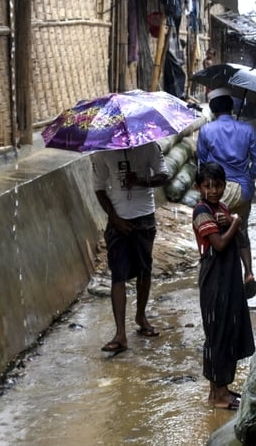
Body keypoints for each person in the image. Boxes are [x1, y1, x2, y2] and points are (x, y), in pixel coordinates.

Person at [92, 144, 169, 355]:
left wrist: (141, 181)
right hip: (118, 220)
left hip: (144, 217)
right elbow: (99, 188)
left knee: (144, 269)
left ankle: (141, 316)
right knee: (118, 275)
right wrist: (114, 218)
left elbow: (164, 175)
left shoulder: (150, 148)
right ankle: (120, 334)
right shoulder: (102, 152)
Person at [192, 162, 255, 409]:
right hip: (214, 278)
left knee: (227, 330)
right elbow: (218, 244)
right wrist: (235, 222)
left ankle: (220, 390)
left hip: (229, 277)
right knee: (217, 334)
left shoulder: (223, 209)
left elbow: (240, 241)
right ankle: (218, 395)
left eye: (218, 185)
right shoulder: (201, 211)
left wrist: (231, 220)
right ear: (199, 187)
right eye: (208, 186)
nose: (213, 190)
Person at [196, 87, 256, 297]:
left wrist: (210, 186)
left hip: (218, 189)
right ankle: (248, 272)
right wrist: (248, 176)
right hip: (242, 189)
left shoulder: (206, 131)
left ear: (213, 109)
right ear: (232, 107)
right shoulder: (247, 129)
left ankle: (222, 280)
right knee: (241, 232)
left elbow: (202, 163)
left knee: (217, 235)